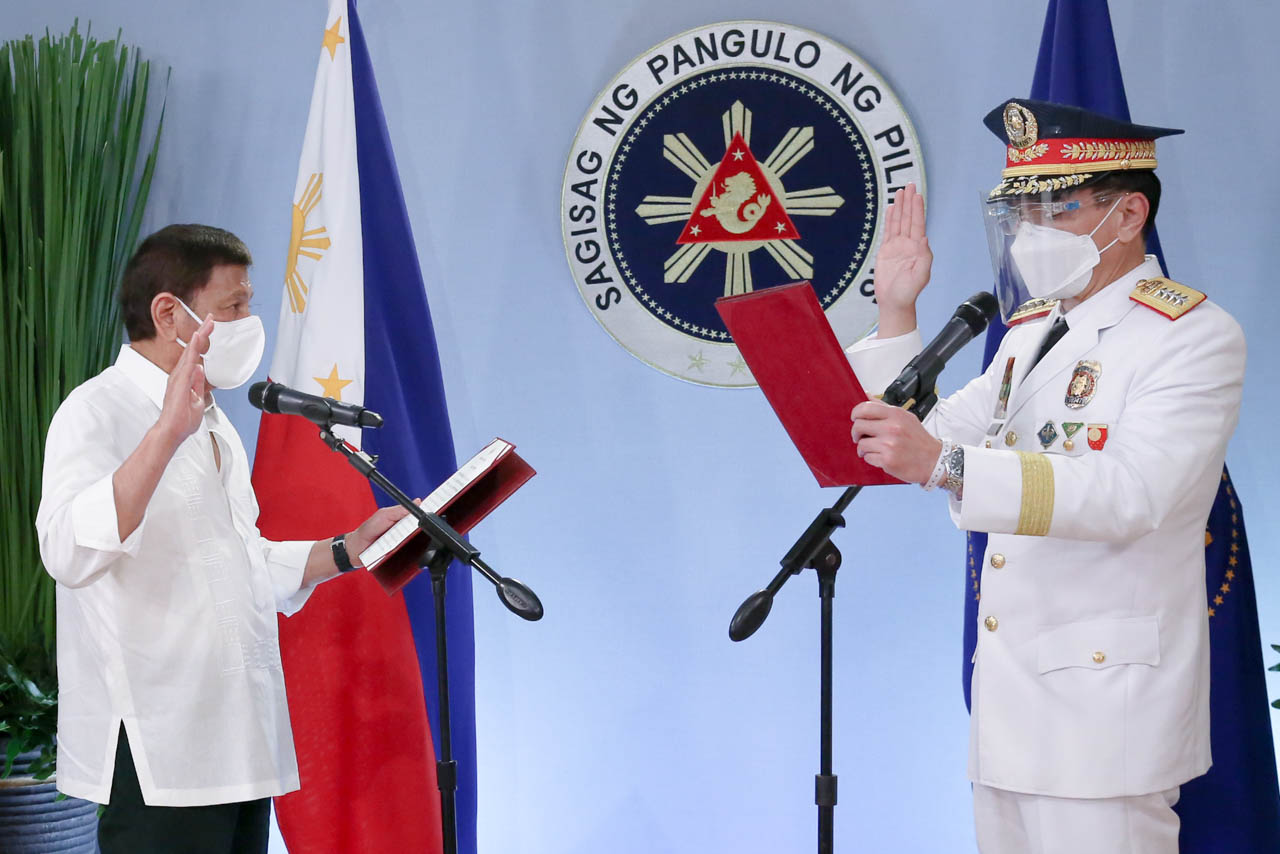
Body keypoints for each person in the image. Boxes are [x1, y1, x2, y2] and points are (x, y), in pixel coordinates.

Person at [846, 100, 1246, 853]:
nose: (1031, 232)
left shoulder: (1192, 336)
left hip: (1105, 719)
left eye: (1055, 209)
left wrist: (947, 465)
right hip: (1011, 709)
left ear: (1128, 214)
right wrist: (898, 313)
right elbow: (917, 443)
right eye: (1020, 210)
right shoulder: (1029, 332)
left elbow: (1134, 494)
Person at [35, 224, 409, 854]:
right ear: (168, 313)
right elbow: (67, 551)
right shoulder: (96, 409)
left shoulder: (214, 421)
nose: (248, 321)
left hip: (238, 737)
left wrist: (349, 546)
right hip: (161, 748)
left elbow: (243, 563)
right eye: (233, 306)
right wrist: (164, 434)